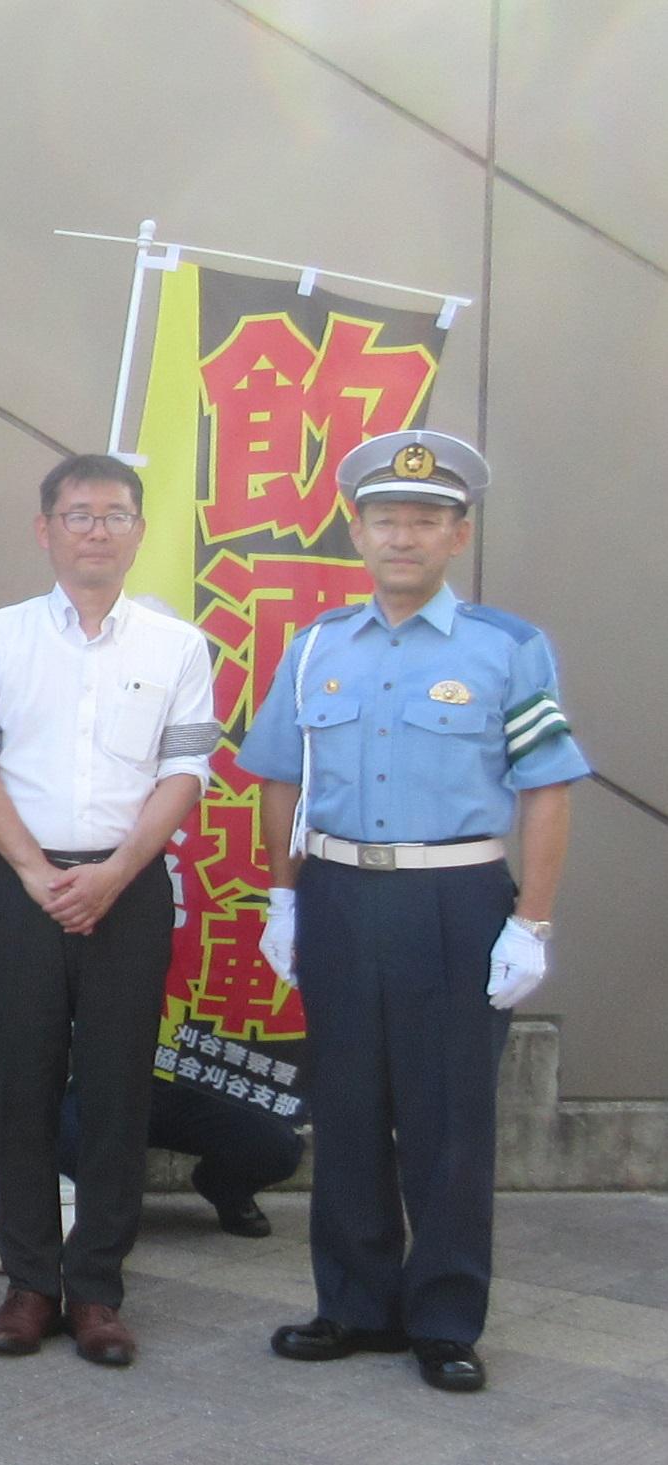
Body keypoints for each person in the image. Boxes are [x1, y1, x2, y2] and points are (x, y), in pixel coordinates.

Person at [243, 430, 587, 1394]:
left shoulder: (507, 647)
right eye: (386, 517)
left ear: (457, 534)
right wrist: (281, 892)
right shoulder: (314, 648)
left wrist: (535, 921)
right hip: (340, 893)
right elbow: (275, 776)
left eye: (425, 519)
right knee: (346, 1106)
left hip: (456, 897)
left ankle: (442, 1315)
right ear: (355, 531)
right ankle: (352, 1303)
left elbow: (547, 788)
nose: (403, 534)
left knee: (448, 1120)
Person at [0, 454, 218, 1366]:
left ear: (139, 529)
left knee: (114, 1091)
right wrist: (32, 869)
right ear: (43, 530)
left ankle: (97, 1288)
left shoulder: (175, 646)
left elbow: (184, 772)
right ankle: (27, 1285)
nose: (94, 529)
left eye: (112, 514)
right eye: (76, 514)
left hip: (129, 888)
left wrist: (112, 873)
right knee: (19, 1087)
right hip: (20, 887)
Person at [55, 1071, 305, 1240]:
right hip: (115, 1075)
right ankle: (102, 1213)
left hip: (206, 1079)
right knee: (66, 1140)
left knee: (276, 1145)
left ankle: (225, 1188)